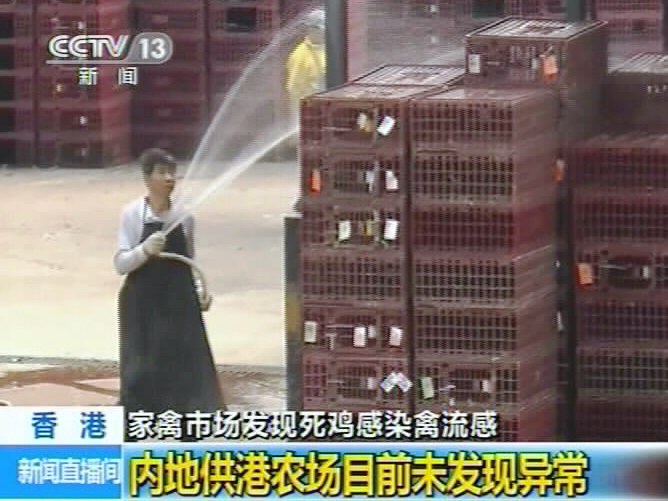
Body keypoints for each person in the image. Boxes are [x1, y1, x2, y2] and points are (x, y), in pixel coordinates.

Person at [114, 148, 225, 425]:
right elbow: (121, 264)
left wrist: (200, 292)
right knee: (141, 365)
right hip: (141, 302)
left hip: (179, 301)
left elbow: (189, 261)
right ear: (146, 178)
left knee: (183, 365)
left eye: (172, 173)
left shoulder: (184, 217)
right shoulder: (132, 214)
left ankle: (185, 425)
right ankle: (139, 423)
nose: (169, 179)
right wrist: (144, 250)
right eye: (162, 173)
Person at [284, 8, 326, 117]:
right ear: (310, 29)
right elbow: (294, 90)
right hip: (313, 111)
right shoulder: (299, 56)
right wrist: (298, 117)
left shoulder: (330, 47)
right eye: (320, 30)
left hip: (330, 106)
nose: (323, 33)